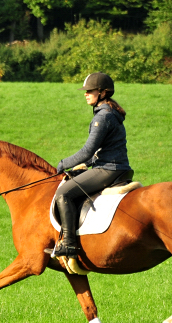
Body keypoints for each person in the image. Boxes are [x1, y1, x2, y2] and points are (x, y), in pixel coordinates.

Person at [46, 72, 133, 259]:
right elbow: (99, 152)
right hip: (114, 166)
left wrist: (63, 164)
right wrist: (86, 165)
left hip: (109, 169)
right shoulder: (110, 113)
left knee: (63, 193)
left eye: (89, 91)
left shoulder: (103, 117)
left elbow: (87, 150)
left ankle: (68, 243)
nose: (85, 94)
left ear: (102, 93)